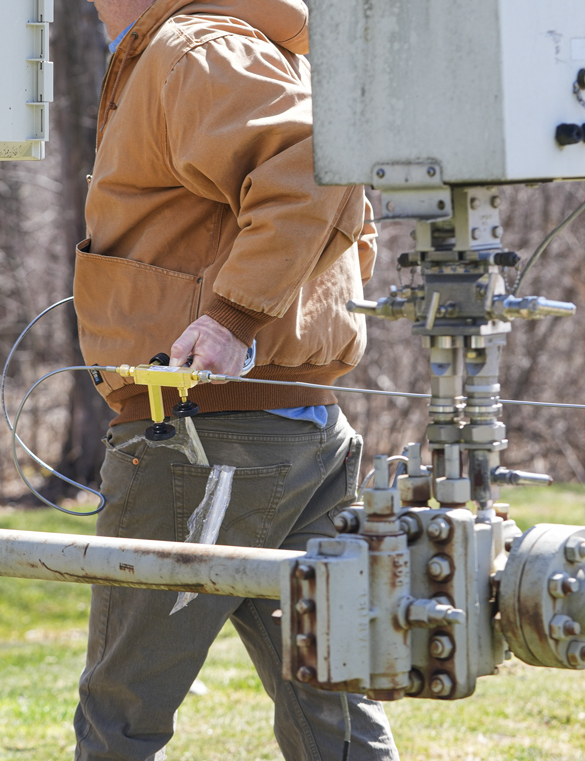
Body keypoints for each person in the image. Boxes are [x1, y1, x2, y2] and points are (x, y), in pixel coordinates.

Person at [72, 0, 400, 759]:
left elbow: (314, 163)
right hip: (296, 431)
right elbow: (337, 201)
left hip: (203, 439)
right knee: (335, 715)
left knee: (119, 720)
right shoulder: (227, 47)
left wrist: (231, 319)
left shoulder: (197, 47)